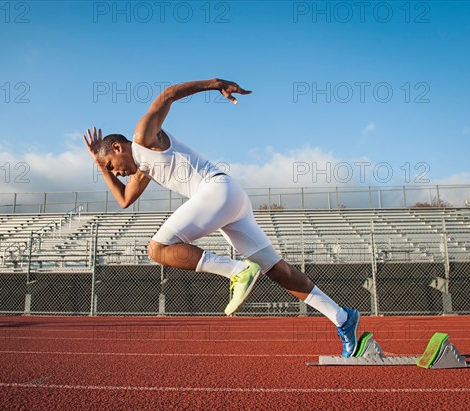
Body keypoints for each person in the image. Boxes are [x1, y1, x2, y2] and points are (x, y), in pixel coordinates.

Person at [84, 78, 360, 357]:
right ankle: (343, 318)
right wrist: (100, 165)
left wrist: (216, 83)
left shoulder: (143, 137)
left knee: (157, 249)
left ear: (118, 147)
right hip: (231, 199)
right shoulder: (144, 169)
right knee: (275, 269)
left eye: (111, 165)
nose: (115, 173)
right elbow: (124, 200)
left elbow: (166, 95)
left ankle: (237, 271)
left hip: (217, 191)